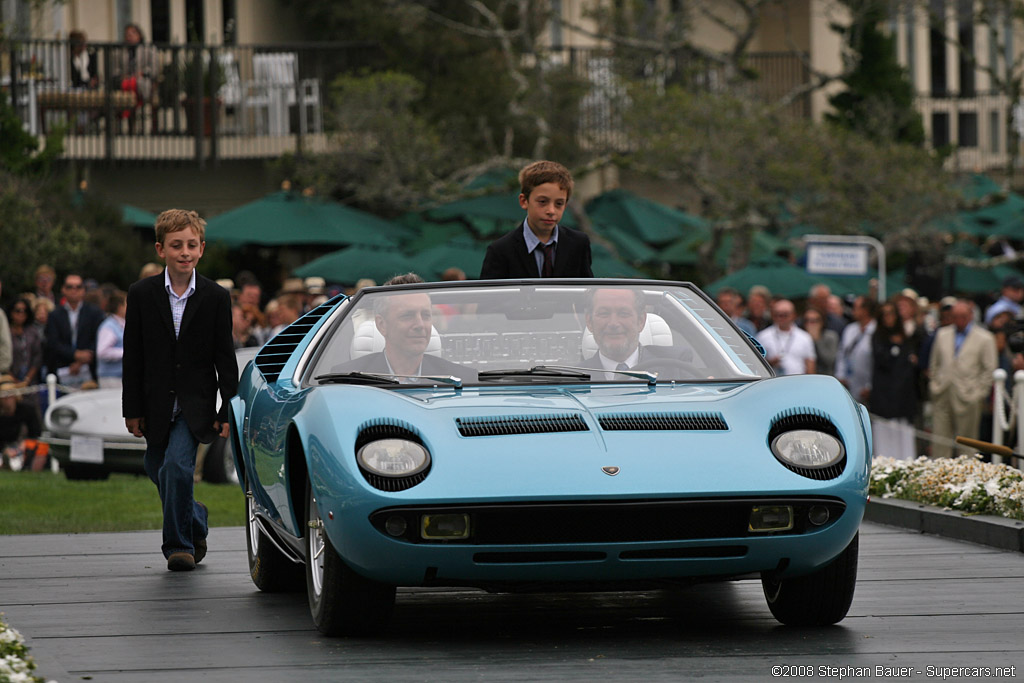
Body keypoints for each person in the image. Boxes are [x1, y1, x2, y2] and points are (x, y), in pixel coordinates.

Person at [122, 209, 238, 572]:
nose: (184, 252)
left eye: (191, 245)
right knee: (155, 465)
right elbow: (134, 355)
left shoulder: (216, 297)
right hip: (155, 403)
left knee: (176, 467)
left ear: (201, 249)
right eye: (176, 245)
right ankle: (197, 517)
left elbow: (225, 357)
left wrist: (226, 410)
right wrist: (132, 408)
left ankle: (179, 546)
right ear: (161, 250)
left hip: (195, 404)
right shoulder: (141, 294)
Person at [334, 274, 475, 382]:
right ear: (382, 325)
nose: (420, 325)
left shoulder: (462, 380)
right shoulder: (346, 380)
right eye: (407, 316)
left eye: (426, 315)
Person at [479, 160, 593, 279]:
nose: (551, 211)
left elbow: (587, 292)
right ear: (524, 201)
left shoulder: (579, 244)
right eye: (542, 202)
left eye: (559, 203)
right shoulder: (500, 251)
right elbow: (490, 296)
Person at [928, 299, 997, 459]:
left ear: (971, 316)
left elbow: (989, 370)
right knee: (940, 442)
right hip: (943, 392)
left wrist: (978, 394)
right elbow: (934, 364)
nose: (959, 320)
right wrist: (935, 385)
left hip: (968, 397)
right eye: (956, 316)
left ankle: (966, 478)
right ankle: (939, 477)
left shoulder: (985, 338)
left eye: (963, 316)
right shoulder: (942, 334)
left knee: (967, 443)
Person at [578, 287, 691, 379]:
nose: (613, 323)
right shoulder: (574, 378)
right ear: (589, 322)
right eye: (604, 313)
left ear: (641, 321)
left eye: (623, 313)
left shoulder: (676, 367)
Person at [870, 302, 919, 460]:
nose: (889, 318)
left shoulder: (906, 338)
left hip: (903, 397)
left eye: (891, 313)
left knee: (903, 436)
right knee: (884, 437)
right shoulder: (877, 338)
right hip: (884, 398)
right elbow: (882, 361)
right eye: (885, 314)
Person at [43, 273, 104, 387]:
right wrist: (75, 355)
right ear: (63, 289)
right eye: (70, 287)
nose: (74, 290)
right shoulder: (55, 315)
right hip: (62, 369)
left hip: (89, 369)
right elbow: (53, 342)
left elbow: (98, 339)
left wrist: (81, 360)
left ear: (83, 290)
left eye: (78, 287)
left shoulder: (94, 313)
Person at [110, 22, 158, 134]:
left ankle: (127, 114)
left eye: (132, 33)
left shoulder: (148, 49)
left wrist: (142, 73)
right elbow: (115, 70)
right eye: (127, 34)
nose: (129, 36)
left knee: (134, 84)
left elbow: (154, 69)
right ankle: (130, 116)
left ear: (139, 35)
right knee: (128, 84)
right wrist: (123, 76)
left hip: (142, 82)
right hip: (125, 82)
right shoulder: (120, 51)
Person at [834, 296, 877, 404]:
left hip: (867, 387)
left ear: (865, 310)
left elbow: (878, 362)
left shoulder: (876, 331)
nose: (853, 310)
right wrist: (840, 376)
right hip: (848, 385)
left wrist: (870, 386)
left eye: (856, 307)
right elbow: (841, 354)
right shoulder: (850, 329)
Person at [756, 299, 816, 376]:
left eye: (785, 315)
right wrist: (770, 363)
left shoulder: (804, 337)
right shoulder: (763, 336)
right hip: (772, 382)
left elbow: (810, 366)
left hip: (798, 382)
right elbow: (756, 365)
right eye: (778, 314)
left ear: (794, 315)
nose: (781, 318)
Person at [0, 376, 42, 471]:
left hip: (23, 448)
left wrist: (23, 445)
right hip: (4, 449)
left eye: (10, 394)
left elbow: (36, 432)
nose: (7, 399)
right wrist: (4, 449)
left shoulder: (27, 410)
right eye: (4, 395)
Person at [7, 297, 42, 386]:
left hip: (31, 381)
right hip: (9, 381)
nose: (21, 314)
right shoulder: (6, 333)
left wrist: (27, 379)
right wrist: (13, 380)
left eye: (24, 311)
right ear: (11, 312)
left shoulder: (33, 332)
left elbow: (37, 356)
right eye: (18, 311)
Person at [96, 290, 127, 389]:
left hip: (121, 376)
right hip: (111, 378)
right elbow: (102, 352)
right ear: (120, 307)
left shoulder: (122, 324)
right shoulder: (109, 326)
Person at [800, 306, 839, 376]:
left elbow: (830, 361)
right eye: (807, 320)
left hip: (826, 377)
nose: (811, 324)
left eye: (815, 321)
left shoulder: (831, 336)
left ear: (822, 322)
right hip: (805, 378)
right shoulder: (800, 337)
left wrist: (817, 340)